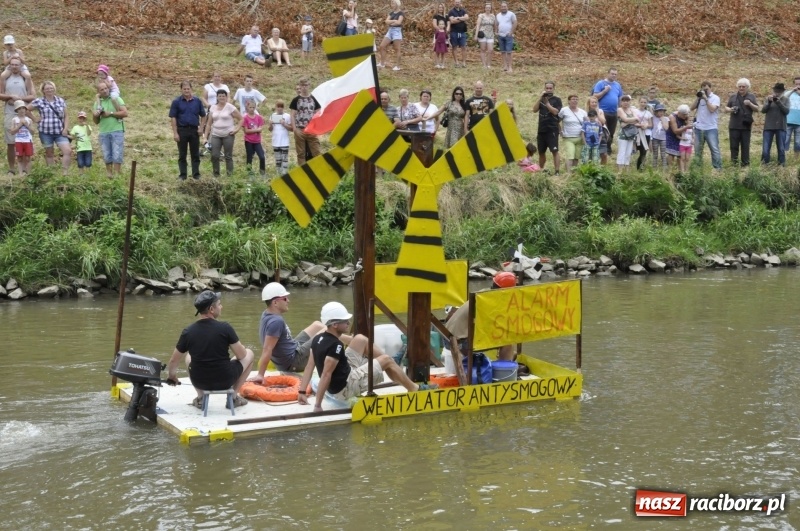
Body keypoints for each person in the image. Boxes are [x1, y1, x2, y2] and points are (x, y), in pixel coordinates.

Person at [297, 302, 435, 411]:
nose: (348, 323)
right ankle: (414, 388)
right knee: (386, 360)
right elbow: (326, 374)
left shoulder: (317, 339)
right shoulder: (335, 345)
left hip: (343, 374)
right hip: (345, 388)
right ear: (334, 324)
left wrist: (302, 391)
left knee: (360, 339)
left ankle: (391, 365)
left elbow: (309, 367)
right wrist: (317, 405)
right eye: (345, 321)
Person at [166, 291, 254, 410]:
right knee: (249, 353)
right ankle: (233, 398)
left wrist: (172, 377)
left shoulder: (188, 331)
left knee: (188, 356)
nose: (221, 307)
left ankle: (201, 398)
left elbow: (174, 361)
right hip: (225, 380)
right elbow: (242, 355)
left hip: (199, 381)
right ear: (211, 309)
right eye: (219, 304)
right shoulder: (225, 328)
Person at [248, 282, 326, 378]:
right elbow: (267, 349)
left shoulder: (267, 313)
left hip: (294, 350)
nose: (288, 301)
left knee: (317, 325)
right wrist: (260, 375)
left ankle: (343, 344)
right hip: (294, 363)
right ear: (275, 302)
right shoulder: (276, 321)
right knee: (328, 329)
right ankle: (343, 349)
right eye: (284, 298)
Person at [445, 271, 517, 364]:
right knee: (507, 343)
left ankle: (504, 363)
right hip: (457, 342)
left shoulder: (484, 294)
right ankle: (504, 369)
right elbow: (491, 326)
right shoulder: (491, 301)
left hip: (447, 336)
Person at [29, 80, 72, 176]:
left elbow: (66, 116)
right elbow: (26, 109)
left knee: (67, 151)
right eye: (47, 88)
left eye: (51, 88)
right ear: (43, 90)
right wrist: (34, 119)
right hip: (45, 132)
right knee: (49, 153)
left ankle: (65, 173)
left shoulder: (60, 100)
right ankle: (51, 173)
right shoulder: (39, 101)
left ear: (54, 89)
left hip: (60, 132)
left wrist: (65, 128)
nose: (49, 90)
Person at [0, 57, 34, 175]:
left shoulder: (26, 78)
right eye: (12, 64)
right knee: (10, 142)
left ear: (20, 66)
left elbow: (32, 96)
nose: (14, 66)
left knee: (24, 140)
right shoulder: (5, 78)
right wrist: (10, 97)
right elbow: (1, 94)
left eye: (17, 65)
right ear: (9, 65)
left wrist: (19, 99)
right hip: (10, 113)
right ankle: (11, 169)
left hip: (24, 113)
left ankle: (23, 168)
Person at [169, 80, 205, 181]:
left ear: (191, 89)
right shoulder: (176, 102)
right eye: (184, 89)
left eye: (188, 89)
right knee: (182, 154)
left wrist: (201, 128)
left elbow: (203, 115)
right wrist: (175, 133)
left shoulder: (197, 101)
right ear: (181, 90)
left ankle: (196, 174)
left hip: (194, 131)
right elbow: (173, 118)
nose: (186, 90)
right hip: (182, 130)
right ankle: (183, 175)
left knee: (195, 154)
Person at [93, 80, 128, 178]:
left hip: (117, 130)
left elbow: (125, 113)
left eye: (106, 88)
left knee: (117, 153)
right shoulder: (97, 103)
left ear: (108, 88)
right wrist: (95, 115)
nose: (105, 91)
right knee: (106, 153)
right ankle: (109, 174)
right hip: (104, 131)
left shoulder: (116, 98)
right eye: (102, 89)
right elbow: (96, 121)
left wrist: (111, 113)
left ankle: (117, 174)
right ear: (98, 92)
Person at [203, 89, 241, 178]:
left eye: (223, 96)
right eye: (220, 96)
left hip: (228, 135)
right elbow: (208, 124)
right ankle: (216, 175)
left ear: (226, 97)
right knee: (214, 155)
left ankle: (230, 176)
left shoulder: (230, 107)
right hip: (216, 135)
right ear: (217, 97)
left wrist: (236, 129)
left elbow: (241, 119)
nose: (221, 98)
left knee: (228, 156)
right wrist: (205, 137)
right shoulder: (213, 108)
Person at [723, 78, 758, 167]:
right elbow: (726, 108)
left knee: (745, 147)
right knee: (733, 146)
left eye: (743, 86)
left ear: (747, 87)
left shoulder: (751, 96)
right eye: (740, 86)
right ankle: (733, 165)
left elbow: (757, 109)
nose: (741, 88)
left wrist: (750, 104)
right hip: (734, 126)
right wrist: (730, 109)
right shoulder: (733, 96)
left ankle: (745, 166)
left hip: (746, 126)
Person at [689, 81, 721, 170]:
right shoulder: (700, 99)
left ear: (710, 88)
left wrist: (706, 99)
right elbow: (691, 108)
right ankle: (698, 169)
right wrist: (698, 98)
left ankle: (717, 169)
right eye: (703, 89)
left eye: (706, 89)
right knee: (698, 150)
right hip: (699, 128)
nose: (705, 91)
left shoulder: (715, 98)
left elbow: (712, 109)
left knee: (714, 149)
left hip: (711, 128)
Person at [592, 67, 623, 155]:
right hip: (603, 112)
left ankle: (608, 149)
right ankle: (601, 149)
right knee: (603, 131)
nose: (614, 75)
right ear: (608, 73)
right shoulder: (601, 83)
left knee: (611, 132)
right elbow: (594, 96)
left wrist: (620, 110)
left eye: (615, 74)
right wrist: (605, 91)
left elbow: (620, 98)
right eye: (612, 74)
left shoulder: (617, 85)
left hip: (614, 112)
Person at [290, 78, 321, 165]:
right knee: (301, 153)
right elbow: (292, 114)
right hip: (300, 129)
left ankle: (318, 169)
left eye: (306, 85)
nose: (304, 87)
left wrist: (317, 127)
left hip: (311, 129)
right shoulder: (296, 100)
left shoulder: (313, 99)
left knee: (317, 152)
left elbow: (318, 112)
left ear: (309, 85)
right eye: (302, 85)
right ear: (300, 86)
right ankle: (302, 170)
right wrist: (295, 129)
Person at [533, 81, 562, 173]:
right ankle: (541, 170)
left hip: (552, 129)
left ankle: (557, 171)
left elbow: (555, 112)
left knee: (554, 150)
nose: (549, 90)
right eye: (547, 88)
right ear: (544, 88)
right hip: (542, 129)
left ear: (553, 89)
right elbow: (534, 109)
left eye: (550, 88)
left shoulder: (557, 100)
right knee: (541, 151)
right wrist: (540, 98)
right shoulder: (541, 99)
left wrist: (547, 103)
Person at [761, 82, 790, 166]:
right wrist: (769, 102)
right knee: (765, 149)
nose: (777, 93)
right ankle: (764, 165)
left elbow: (786, 111)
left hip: (781, 126)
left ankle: (781, 166)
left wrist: (778, 102)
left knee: (781, 148)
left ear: (782, 92)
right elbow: (763, 110)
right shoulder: (768, 99)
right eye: (775, 91)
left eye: (779, 92)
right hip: (768, 126)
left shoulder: (786, 99)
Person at [558, 94, 586, 172]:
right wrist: (560, 130)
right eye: (573, 99)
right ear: (569, 101)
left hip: (580, 138)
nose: (575, 101)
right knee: (570, 156)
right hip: (568, 137)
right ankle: (568, 173)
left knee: (576, 157)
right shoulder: (564, 110)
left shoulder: (583, 112)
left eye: (576, 99)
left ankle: (574, 172)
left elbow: (586, 124)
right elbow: (557, 121)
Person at [9, 100, 34, 175]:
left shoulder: (29, 120)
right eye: (19, 109)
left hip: (28, 140)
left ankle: (28, 173)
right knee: (19, 157)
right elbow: (12, 132)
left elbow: (33, 132)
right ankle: (20, 174)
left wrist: (27, 125)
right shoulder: (14, 120)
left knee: (28, 157)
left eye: (23, 108)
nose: (21, 110)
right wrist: (19, 125)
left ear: (25, 109)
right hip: (18, 141)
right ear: (16, 110)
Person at [378, 0, 404, 71]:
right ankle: (382, 63)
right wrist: (394, 21)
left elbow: (399, 22)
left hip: (397, 31)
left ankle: (397, 66)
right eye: (391, 3)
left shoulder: (401, 13)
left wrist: (391, 22)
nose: (392, 5)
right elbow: (386, 21)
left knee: (397, 48)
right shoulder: (391, 13)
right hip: (390, 31)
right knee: (382, 46)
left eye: (393, 3)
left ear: (397, 4)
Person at [242, 100, 266, 177]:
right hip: (248, 141)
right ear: (247, 108)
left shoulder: (259, 117)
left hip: (257, 141)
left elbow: (261, 129)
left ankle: (262, 172)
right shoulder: (245, 118)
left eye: (253, 107)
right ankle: (249, 173)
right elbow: (246, 131)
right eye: (250, 107)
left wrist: (255, 130)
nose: (252, 109)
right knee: (249, 157)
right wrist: (256, 130)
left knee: (262, 156)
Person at [615, 94, 639, 171]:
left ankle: (627, 170)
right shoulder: (620, 110)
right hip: (623, 134)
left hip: (631, 134)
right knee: (622, 152)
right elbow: (625, 119)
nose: (625, 102)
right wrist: (631, 121)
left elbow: (637, 120)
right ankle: (620, 170)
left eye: (627, 101)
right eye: (624, 101)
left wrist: (627, 122)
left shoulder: (632, 110)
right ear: (621, 102)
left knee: (628, 152)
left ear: (630, 102)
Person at [268, 100, 293, 174]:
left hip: (284, 142)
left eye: (281, 107)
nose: (279, 108)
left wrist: (284, 124)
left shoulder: (287, 116)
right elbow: (270, 129)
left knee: (284, 159)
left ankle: (284, 174)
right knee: (278, 160)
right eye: (278, 106)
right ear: (275, 107)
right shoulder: (272, 116)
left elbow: (291, 129)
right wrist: (270, 124)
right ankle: (278, 174)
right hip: (275, 142)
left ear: (283, 107)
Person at [666, 104, 691, 169]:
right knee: (671, 153)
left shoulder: (686, 115)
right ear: (679, 113)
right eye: (684, 115)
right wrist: (686, 127)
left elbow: (689, 124)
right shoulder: (672, 117)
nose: (685, 116)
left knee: (680, 154)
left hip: (681, 136)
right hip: (672, 135)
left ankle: (680, 170)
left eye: (686, 114)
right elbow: (675, 131)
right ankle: (670, 169)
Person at [495, 2, 517, 73]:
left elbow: (515, 22)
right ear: (500, 7)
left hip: (508, 35)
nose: (503, 8)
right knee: (503, 52)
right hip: (500, 35)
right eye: (502, 7)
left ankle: (510, 67)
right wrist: (496, 32)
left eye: (505, 6)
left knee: (509, 52)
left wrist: (511, 32)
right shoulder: (498, 15)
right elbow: (496, 24)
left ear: (507, 7)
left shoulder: (511, 14)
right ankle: (505, 66)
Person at [585, 96, 608, 165]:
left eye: (596, 102)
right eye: (592, 102)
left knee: (604, 154)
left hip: (601, 134)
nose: (594, 104)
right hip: (590, 135)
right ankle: (591, 169)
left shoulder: (600, 111)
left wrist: (597, 112)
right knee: (591, 155)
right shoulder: (585, 112)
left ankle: (602, 169)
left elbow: (603, 121)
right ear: (589, 104)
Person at [448, 0, 469, 68]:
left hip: (462, 32)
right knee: (454, 47)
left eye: (458, 2)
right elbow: (452, 21)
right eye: (456, 2)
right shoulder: (451, 11)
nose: (457, 3)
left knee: (464, 47)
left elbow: (467, 18)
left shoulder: (463, 11)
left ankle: (464, 63)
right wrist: (462, 19)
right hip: (454, 32)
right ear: (454, 3)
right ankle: (456, 62)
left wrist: (457, 18)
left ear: (460, 3)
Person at [634, 96, 653, 171]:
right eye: (641, 102)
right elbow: (632, 122)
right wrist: (640, 125)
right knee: (634, 150)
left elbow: (651, 125)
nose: (643, 104)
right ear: (639, 102)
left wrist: (646, 126)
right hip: (637, 133)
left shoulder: (648, 113)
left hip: (646, 134)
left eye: (645, 102)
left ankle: (640, 168)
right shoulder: (634, 111)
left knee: (644, 151)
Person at [475, 3, 495, 69]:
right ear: (485, 8)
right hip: (482, 34)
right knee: (483, 49)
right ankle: (484, 65)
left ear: (491, 8)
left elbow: (495, 25)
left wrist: (496, 32)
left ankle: (488, 64)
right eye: (487, 7)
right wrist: (476, 35)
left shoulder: (493, 16)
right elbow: (478, 25)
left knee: (490, 50)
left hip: (490, 34)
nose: (488, 9)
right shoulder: (481, 16)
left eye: (489, 7)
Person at [785, 77, 800, 161]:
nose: (798, 86)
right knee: (786, 140)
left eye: (799, 84)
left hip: (799, 122)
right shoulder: (789, 93)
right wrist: (792, 91)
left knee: (798, 142)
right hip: (788, 121)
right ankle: (784, 157)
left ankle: (796, 159)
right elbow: (783, 98)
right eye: (796, 84)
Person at [650, 103, 668, 170]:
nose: (661, 112)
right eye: (659, 111)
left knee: (663, 154)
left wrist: (662, 119)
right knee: (655, 154)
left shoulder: (666, 118)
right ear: (656, 112)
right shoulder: (654, 118)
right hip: (655, 138)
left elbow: (666, 128)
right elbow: (651, 110)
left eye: (662, 111)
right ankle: (654, 168)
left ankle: (664, 169)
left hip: (663, 139)